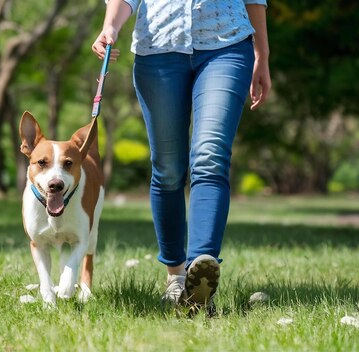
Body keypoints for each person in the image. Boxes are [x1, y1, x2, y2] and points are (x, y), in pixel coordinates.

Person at [92, 0, 271, 313]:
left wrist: (262, 53)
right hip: (158, 49)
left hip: (226, 45)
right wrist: (111, 26)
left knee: (210, 155)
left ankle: (201, 275)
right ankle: (176, 277)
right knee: (169, 169)